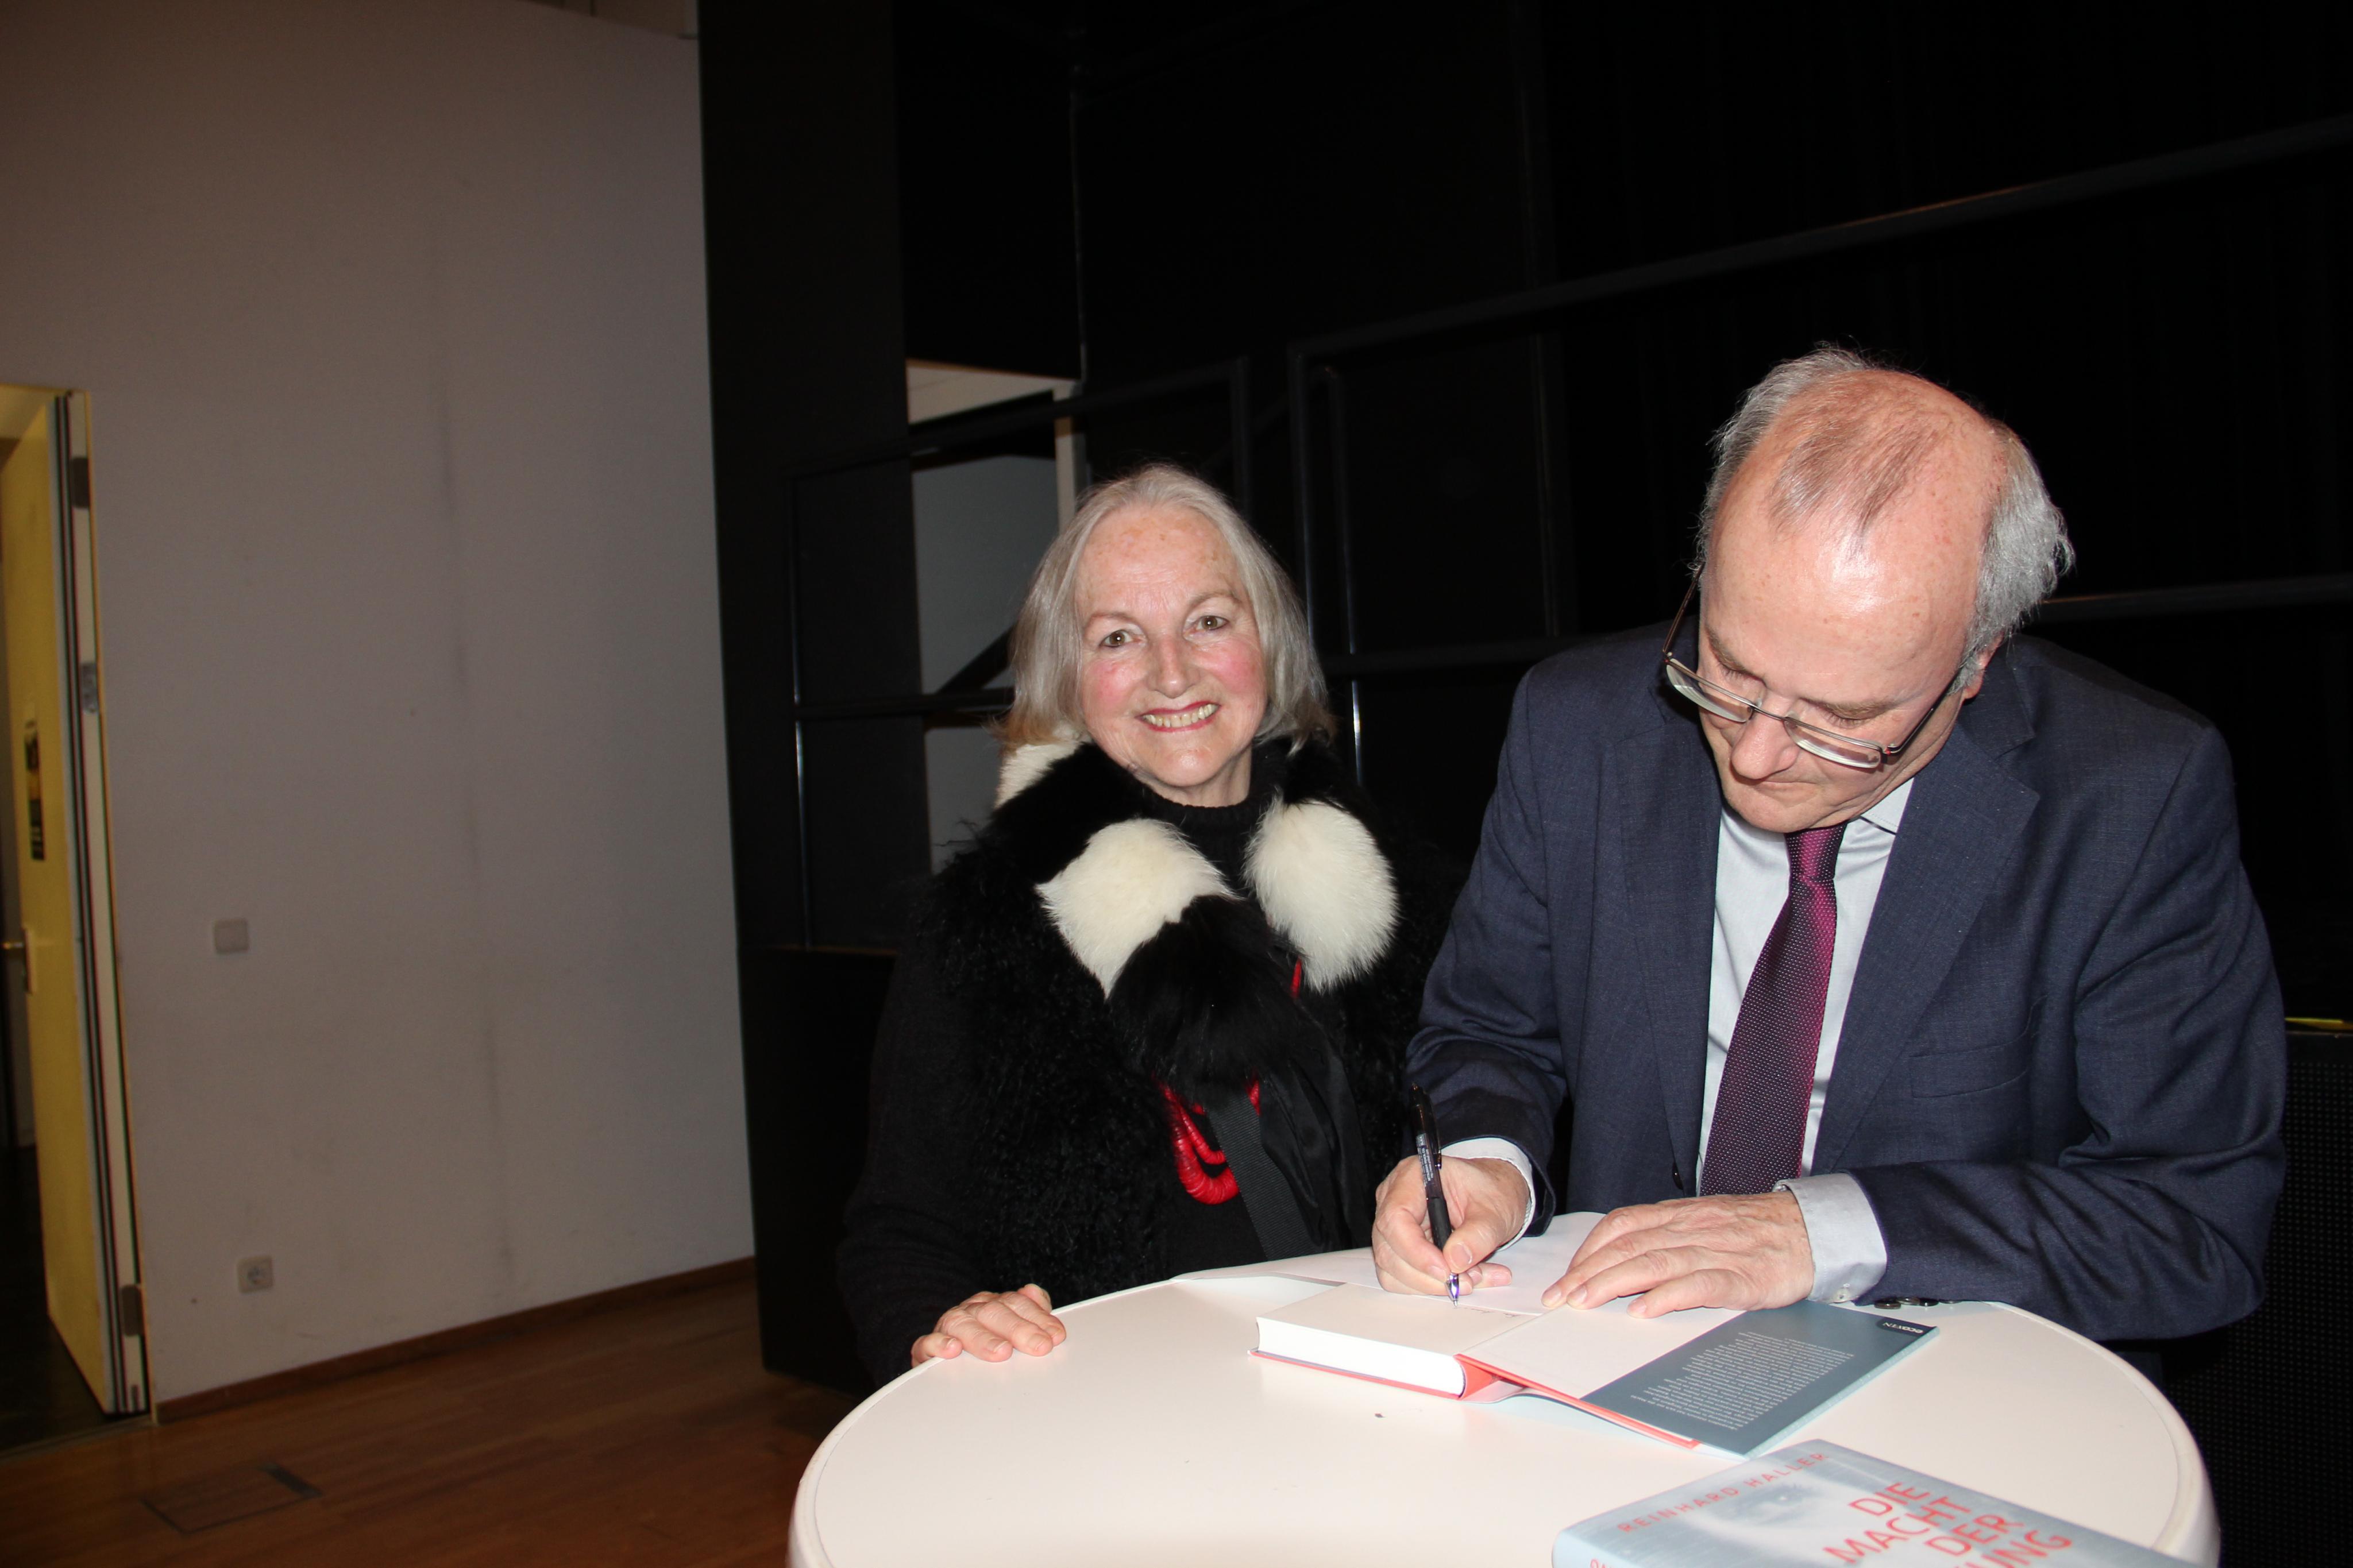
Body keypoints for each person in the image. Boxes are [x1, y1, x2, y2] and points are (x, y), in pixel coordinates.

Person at [1372, 348, 2286, 1347]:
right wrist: (1487, 1161)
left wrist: (1821, 1231)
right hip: (1606, 1348)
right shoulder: (1579, 726)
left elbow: (2193, 1222)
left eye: (1841, 720)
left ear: (1975, 661)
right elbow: (1490, 1031)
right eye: (1728, 668)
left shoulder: (2130, 797)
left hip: (1955, 1388)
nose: (1756, 754)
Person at [840, 463, 1460, 1385]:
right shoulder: (982, 927)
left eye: (1209, 621)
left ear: (1270, 641)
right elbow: (898, 1232)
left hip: (1385, 1388)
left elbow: (1502, 1129)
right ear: (1068, 675)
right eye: (1120, 636)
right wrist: (949, 1320)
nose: (1173, 672)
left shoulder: (1400, 892)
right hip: (1113, 1413)